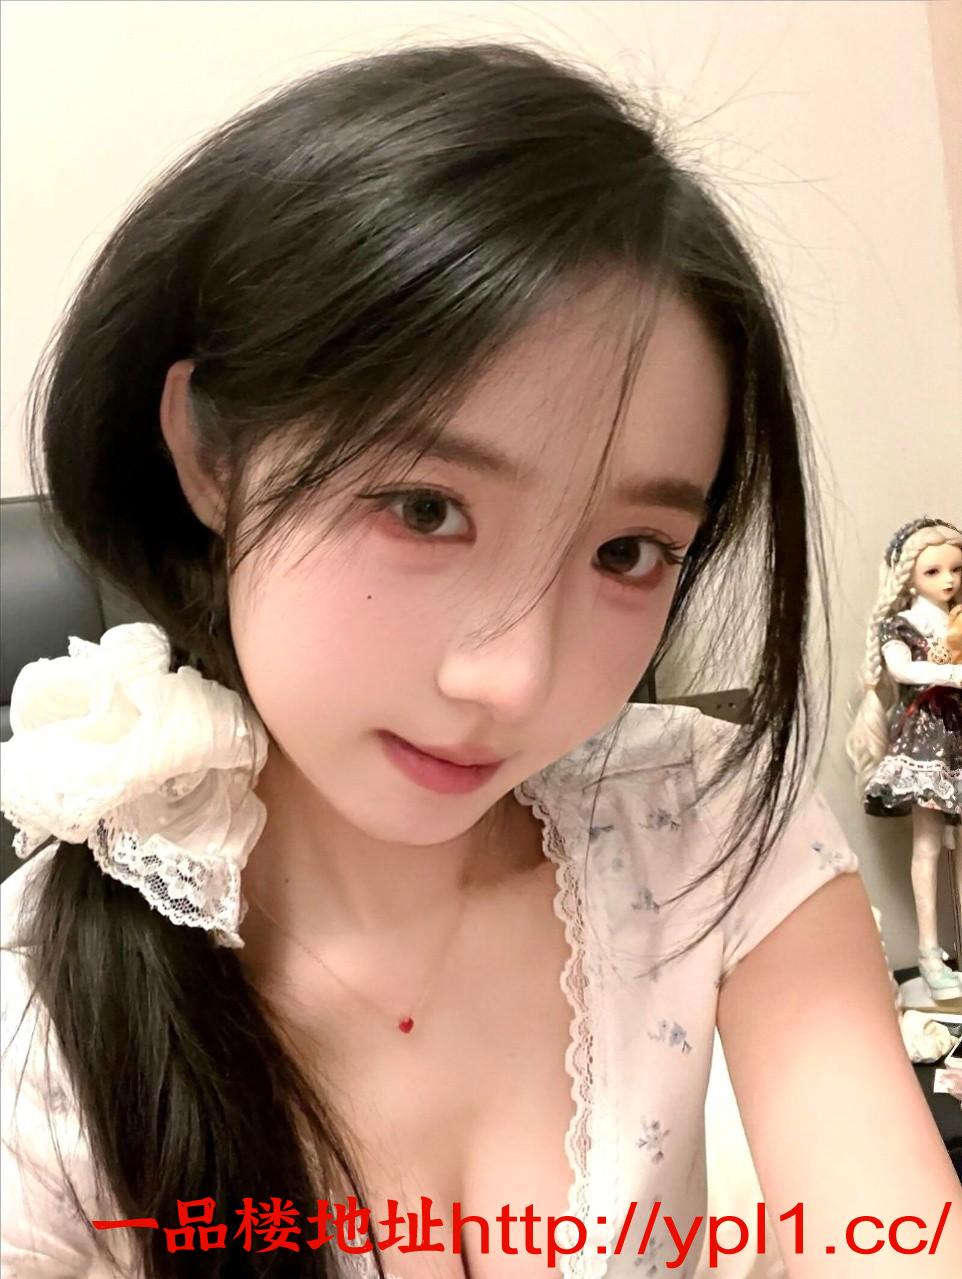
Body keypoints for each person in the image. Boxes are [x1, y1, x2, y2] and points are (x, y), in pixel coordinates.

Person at [1, 41, 958, 1279]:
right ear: (211, 456)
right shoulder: (37, 1043)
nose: (514, 681)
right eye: (423, 508)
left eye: (626, 550)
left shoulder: (708, 825)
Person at [846, 519, 962, 1002]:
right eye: (933, 571)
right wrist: (952, 674)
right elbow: (901, 668)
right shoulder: (903, 625)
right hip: (928, 738)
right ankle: (930, 954)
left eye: (955, 569)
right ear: (909, 576)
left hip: (957, 732)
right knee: (928, 845)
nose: (948, 580)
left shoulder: (957, 618)